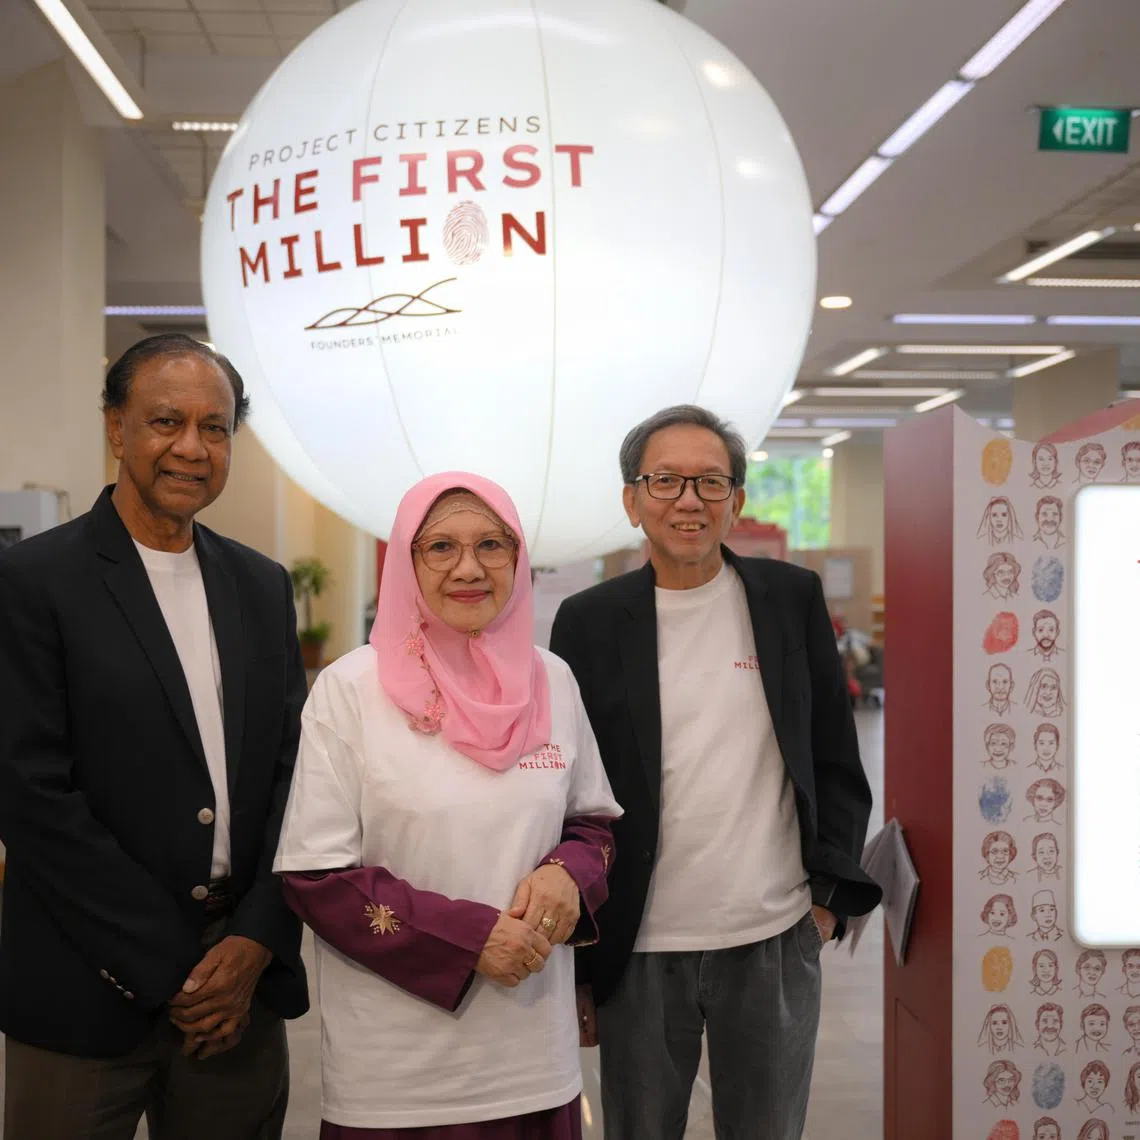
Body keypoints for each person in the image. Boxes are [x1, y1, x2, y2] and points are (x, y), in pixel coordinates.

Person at [0, 334, 309, 1139]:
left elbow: (296, 777)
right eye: (166, 421)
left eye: (215, 428)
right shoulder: (33, 583)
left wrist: (254, 942)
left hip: (236, 979)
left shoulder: (261, 586)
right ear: (116, 428)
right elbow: (30, 795)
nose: (192, 448)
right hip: (83, 976)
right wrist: (174, 966)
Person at [549, 405, 880, 1140]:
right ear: (632, 499)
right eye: (665, 480)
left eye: (710, 481)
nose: (689, 500)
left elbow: (833, 756)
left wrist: (824, 901)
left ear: (738, 499)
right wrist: (579, 957)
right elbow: (567, 789)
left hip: (772, 936)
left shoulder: (789, 600)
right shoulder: (589, 621)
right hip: (638, 944)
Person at [272, 472, 622, 1138]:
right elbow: (315, 875)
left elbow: (592, 823)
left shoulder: (553, 678)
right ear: (406, 561)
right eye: (441, 547)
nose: (470, 568)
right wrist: (470, 937)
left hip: (533, 1058)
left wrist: (566, 873)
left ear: (518, 562)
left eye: (492, 545)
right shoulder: (352, 689)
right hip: (398, 1072)